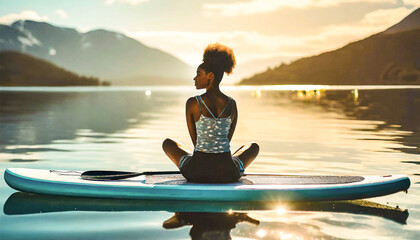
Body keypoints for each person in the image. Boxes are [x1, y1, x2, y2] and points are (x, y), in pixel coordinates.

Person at [162, 43, 259, 183]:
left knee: (168, 143)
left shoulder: (192, 103)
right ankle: (228, 164)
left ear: (210, 76)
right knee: (253, 147)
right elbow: (227, 139)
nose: (194, 78)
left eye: (198, 74)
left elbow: (196, 144)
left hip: (196, 172)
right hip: (228, 173)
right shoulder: (232, 104)